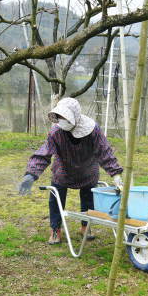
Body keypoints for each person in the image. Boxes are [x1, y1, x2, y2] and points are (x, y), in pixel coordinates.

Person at [19, 97, 123, 244]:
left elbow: (104, 151)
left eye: (65, 116)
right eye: (60, 116)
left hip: (88, 171)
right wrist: (31, 174)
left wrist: (116, 175)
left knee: (89, 198)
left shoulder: (93, 130)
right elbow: (44, 154)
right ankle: (55, 229)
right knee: (56, 198)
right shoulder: (56, 133)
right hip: (63, 171)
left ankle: (85, 227)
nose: (61, 119)